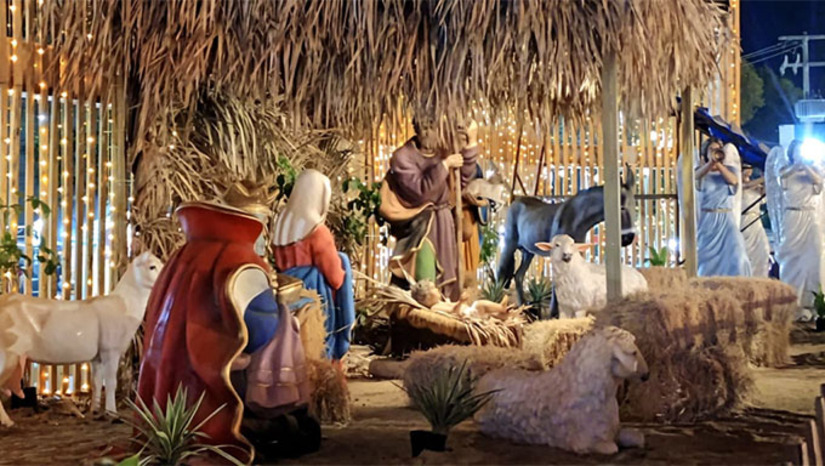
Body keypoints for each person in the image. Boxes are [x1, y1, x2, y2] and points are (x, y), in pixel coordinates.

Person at [138, 190, 316, 464]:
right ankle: (260, 418)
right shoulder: (240, 260)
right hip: (217, 375)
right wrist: (281, 311)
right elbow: (258, 330)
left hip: (171, 373)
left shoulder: (182, 255)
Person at [379, 115, 480, 300]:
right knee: (425, 276)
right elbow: (421, 192)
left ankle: (443, 315)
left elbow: (462, 179)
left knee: (448, 280)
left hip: (443, 222)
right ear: (416, 129)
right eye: (424, 128)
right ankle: (422, 314)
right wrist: (444, 165)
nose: (428, 132)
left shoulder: (444, 150)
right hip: (420, 225)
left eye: (433, 127)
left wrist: (471, 142)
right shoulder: (403, 157)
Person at [272, 169, 355, 363]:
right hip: (313, 302)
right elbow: (335, 278)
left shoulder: (281, 223)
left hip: (286, 295)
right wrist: (343, 264)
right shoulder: (316, 230)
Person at [768, 140, 825, 318]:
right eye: (797, 151)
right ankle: (793, 304)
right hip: (792, 218)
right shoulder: (785, 171)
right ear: (792, 153)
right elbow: (781, 179)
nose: (800, 154)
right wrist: (797, 165)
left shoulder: (815, 170)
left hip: (811, 218)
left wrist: (807, 167)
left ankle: (814, 303)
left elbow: (818, 182)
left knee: (814, 259)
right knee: (792, 261)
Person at [694, 138, 752, 277]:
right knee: (708, 263)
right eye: (711, 150)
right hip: (708, 220)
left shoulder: (729, 170)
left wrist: (718, 165)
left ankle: (739, 285)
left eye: (717, 150)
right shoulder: (701, 171)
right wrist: (710, 163)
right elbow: (695, 177)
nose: (715, 152)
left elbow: (733, 181)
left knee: (738, 254)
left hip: (726, 219)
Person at [741, 167, 771, 277]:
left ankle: (760, 277)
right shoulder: (737, 185)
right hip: (743, 221)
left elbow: (764, 193)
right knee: (746, 253)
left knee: (763, 250)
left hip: (756, 223)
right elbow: (746, 186)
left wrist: (768, 179)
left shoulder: (756, 187)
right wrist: (765, 177)